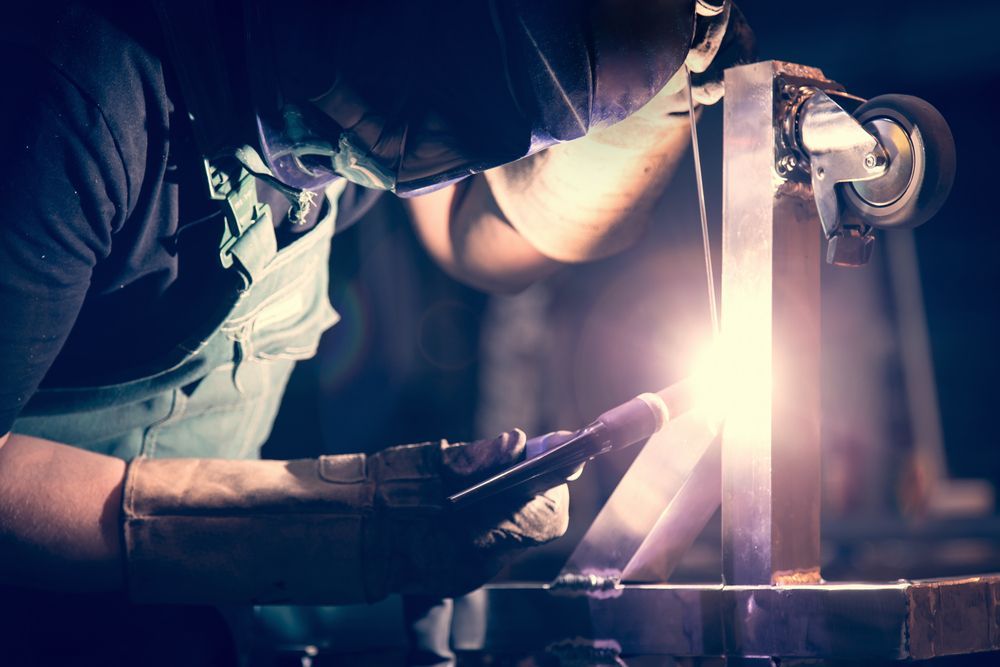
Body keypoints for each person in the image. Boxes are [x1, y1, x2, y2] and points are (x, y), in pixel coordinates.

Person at [0, 0, 750, 663]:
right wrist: (342, 526)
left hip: (186, 625)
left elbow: (475, 239)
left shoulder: (366, 80)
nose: (433, 160)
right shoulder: (73, 92)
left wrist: (639, 112)